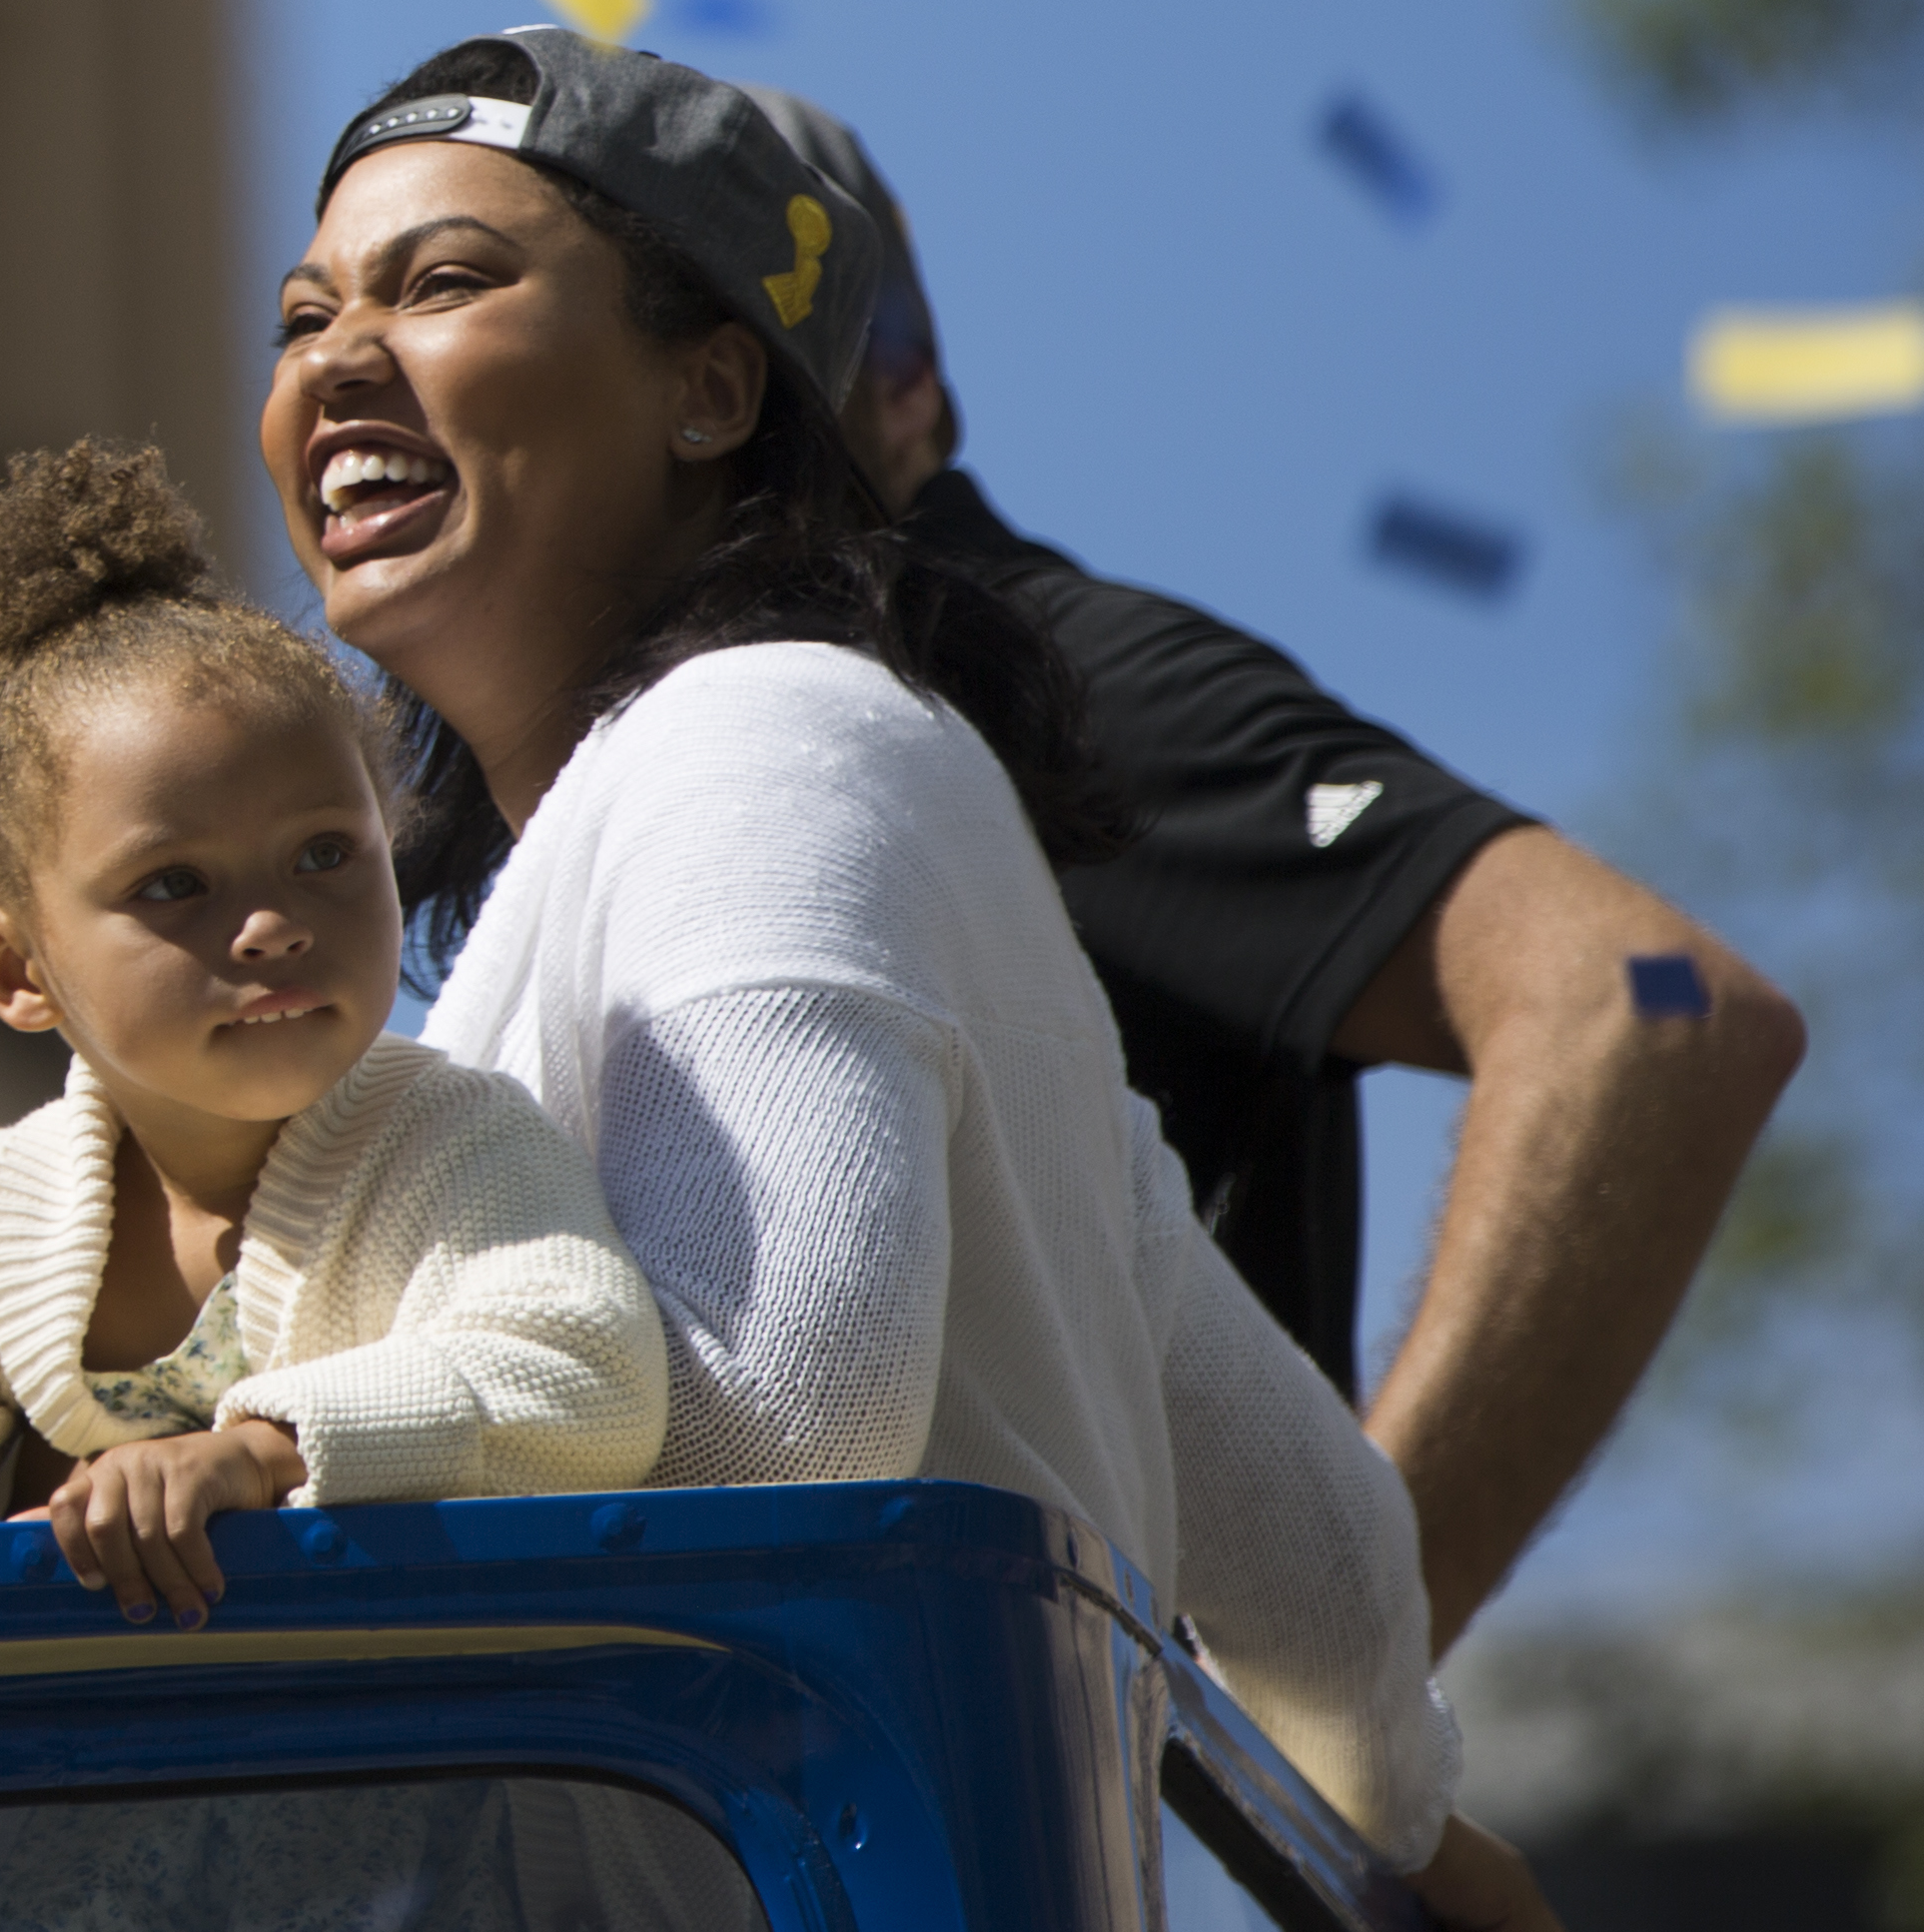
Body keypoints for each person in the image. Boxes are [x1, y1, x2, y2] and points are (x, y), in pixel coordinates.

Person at [264, 28, 1557, 1926]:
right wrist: (1418, 1833)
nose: (336, 360)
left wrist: (244, 1478)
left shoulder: (760, 740)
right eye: (304, 316)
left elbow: (786, 1424)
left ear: (713, 388)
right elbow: (1328, 1559)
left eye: (445, 281)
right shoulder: (773, 796)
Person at [739, 83, 1805, 1658]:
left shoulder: (1023, 689)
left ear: (906, 383)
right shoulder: (729, 772)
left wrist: (1344, 1692)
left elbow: (1648, 1009)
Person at [0, 441, 665, 1635]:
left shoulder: (455, 1141)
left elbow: (593, 1377)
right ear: (17, 970)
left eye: (323, 855)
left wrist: (255, 1452)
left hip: (402, 1794)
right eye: (173, 883)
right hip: (63, 1803)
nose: (269, 925)